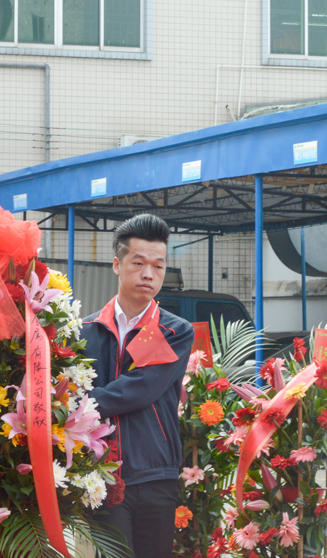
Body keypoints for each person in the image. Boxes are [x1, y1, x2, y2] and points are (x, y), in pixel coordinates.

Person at [80, 214, 194, 558]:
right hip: (102, 474)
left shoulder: (174, 331)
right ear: (117, 265)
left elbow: (142, 387)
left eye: (158, 266)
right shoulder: (85, 332)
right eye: (139, 263)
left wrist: (78, 407)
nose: (148, 274)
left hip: (155, 473)